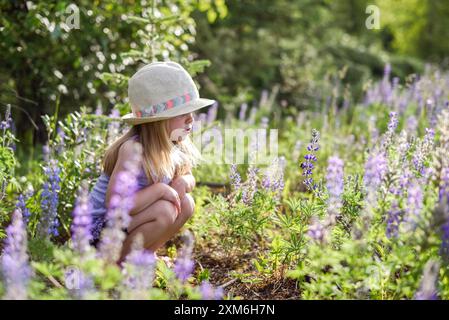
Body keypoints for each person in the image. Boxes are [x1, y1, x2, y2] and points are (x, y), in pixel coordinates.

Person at [87, 61, 216, 262]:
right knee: (164, 210)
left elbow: (189, 176)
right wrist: (160, 191)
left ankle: (145, 256)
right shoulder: (133, 150)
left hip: (130, 223)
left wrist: (183, 182)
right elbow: (115, 205)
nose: (191, 119)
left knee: (186, 204)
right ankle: (113, 267)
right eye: (183, 113)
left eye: (191, 112)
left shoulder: (174, 143)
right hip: (99, 233)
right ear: (158, 121)